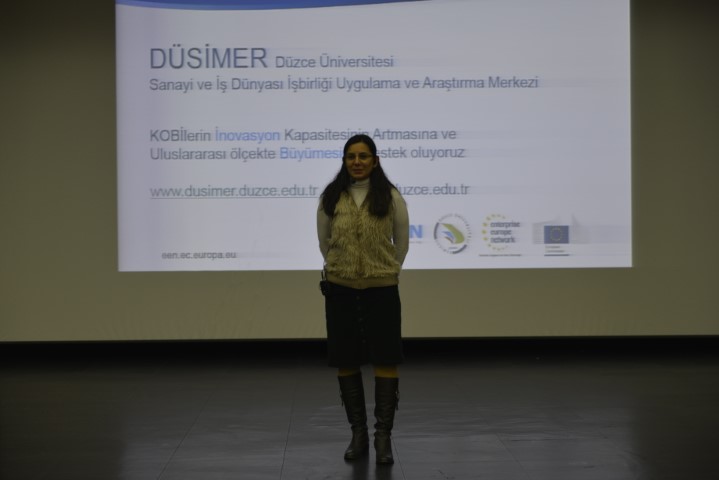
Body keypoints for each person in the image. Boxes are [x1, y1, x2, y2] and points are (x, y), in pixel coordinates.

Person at [317, 134, 409, 465]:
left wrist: (383, 270)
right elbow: (324, 242)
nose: (357, 162)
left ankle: (383, 437)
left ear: (375, 161)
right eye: (351, 157)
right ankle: (358, 434)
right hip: (341, 289)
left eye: (363, 156)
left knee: (385, 358)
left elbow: (401, 243)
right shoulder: (331, 197)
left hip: (381, 289)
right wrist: (343, 268)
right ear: (344, 161)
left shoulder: (391, 196)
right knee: (346, 359)